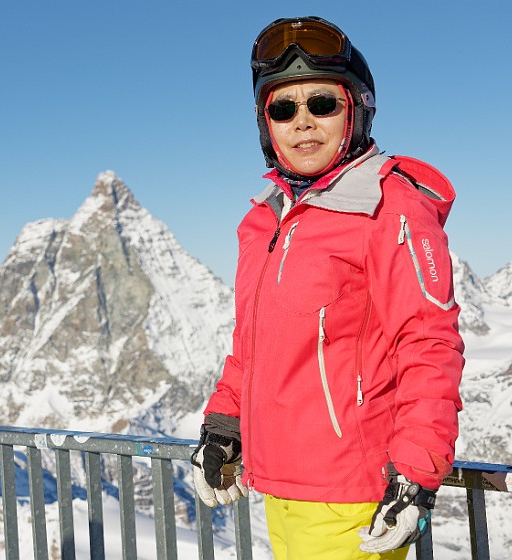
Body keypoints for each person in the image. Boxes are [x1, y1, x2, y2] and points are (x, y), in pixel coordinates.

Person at [191, 16, 464, 559]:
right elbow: (253, 342)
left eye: (322, 104)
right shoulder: (267, 220)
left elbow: (428, 343)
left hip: (353, 497)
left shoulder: (388, 207)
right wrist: (225, 423)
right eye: (283, 108)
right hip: (277, 485)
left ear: (356, 109)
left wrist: (415, 473)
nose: (303, 122)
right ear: (265, 123)